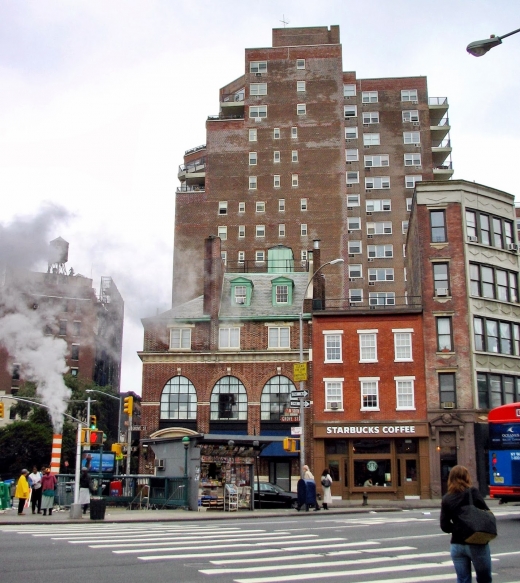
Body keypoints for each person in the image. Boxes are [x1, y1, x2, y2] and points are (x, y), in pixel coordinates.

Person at [440, 465, 493, 583]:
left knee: (463, 580)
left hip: (457, 545)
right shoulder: (472, 492)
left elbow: (444, 526)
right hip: (476, 541)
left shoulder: (446, 498)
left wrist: (458, 528)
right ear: (466, 477)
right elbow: (486, 512)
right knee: (484, 579)